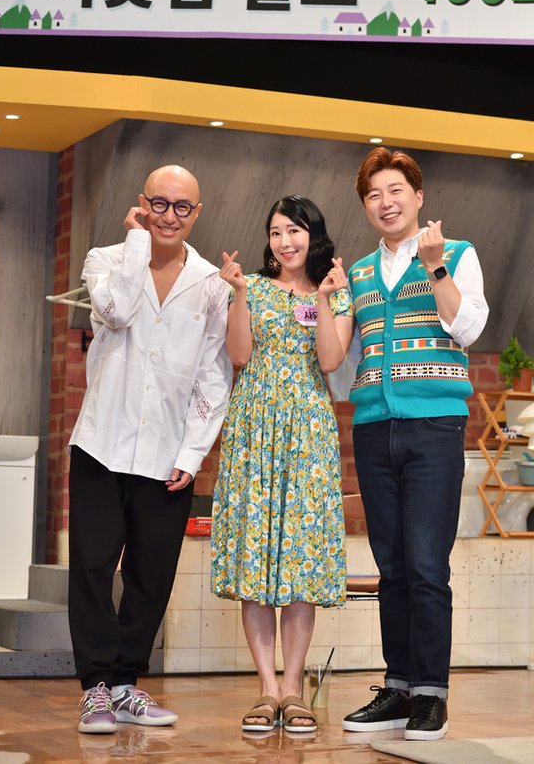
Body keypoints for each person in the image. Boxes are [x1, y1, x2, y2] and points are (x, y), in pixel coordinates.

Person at [68, 164, 232, 734]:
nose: (169, 216)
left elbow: (215, 375)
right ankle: (95, 689)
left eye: (182, 207)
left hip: (167, 454)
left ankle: (125, 685)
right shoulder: (106, 259)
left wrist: (192, 453)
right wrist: (137, 242)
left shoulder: (211, 283)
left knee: (152, 573)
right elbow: (116, 312)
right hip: (101, 442)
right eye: (159, 203)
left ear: (197, 212)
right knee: (92, 567)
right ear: (142, 203)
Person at [342, 148, 489, 741]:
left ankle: (431, 695)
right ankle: (399, 688)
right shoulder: (357, 273)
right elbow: (350, 358)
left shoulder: (456, 254)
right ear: (366, 205)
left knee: (427, 565)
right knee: (392, 567)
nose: (386, 202)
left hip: (434, 427)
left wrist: (435, 269)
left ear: (418, 196)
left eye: (396, 190)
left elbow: (468, 328)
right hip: (374, 428)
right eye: (374, 194)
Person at [210, 194, 354, 733]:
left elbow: (330, 360)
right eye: (276, 232)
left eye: (294, 230)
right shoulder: (249, 285)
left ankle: (293, 688)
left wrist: (325, 299)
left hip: (308, 434)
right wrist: (239, 294)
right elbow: (239, 355)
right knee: (255, 562)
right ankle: (266, 689)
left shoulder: (335, 291)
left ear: (312, 236)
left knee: (299, 564)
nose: (285, 241)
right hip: (253, 430)